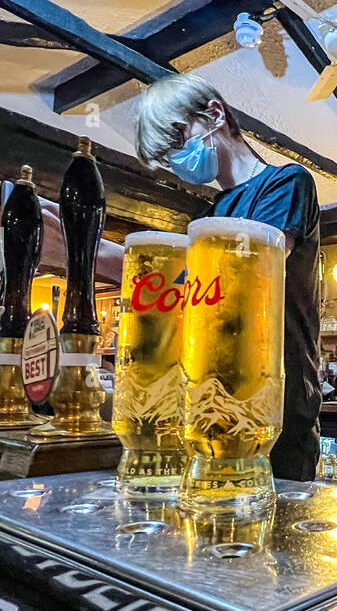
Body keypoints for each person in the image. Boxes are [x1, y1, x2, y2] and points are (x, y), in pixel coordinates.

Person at [134, 73, 321, 482]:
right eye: (167, 159)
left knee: (278, 534)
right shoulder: (207, 220)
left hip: (276, 405)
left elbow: (245, 278)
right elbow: (182, 295)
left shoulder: (285, 183)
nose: (177, 164)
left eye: (177, 143)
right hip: (212, 407)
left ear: (215, 114)